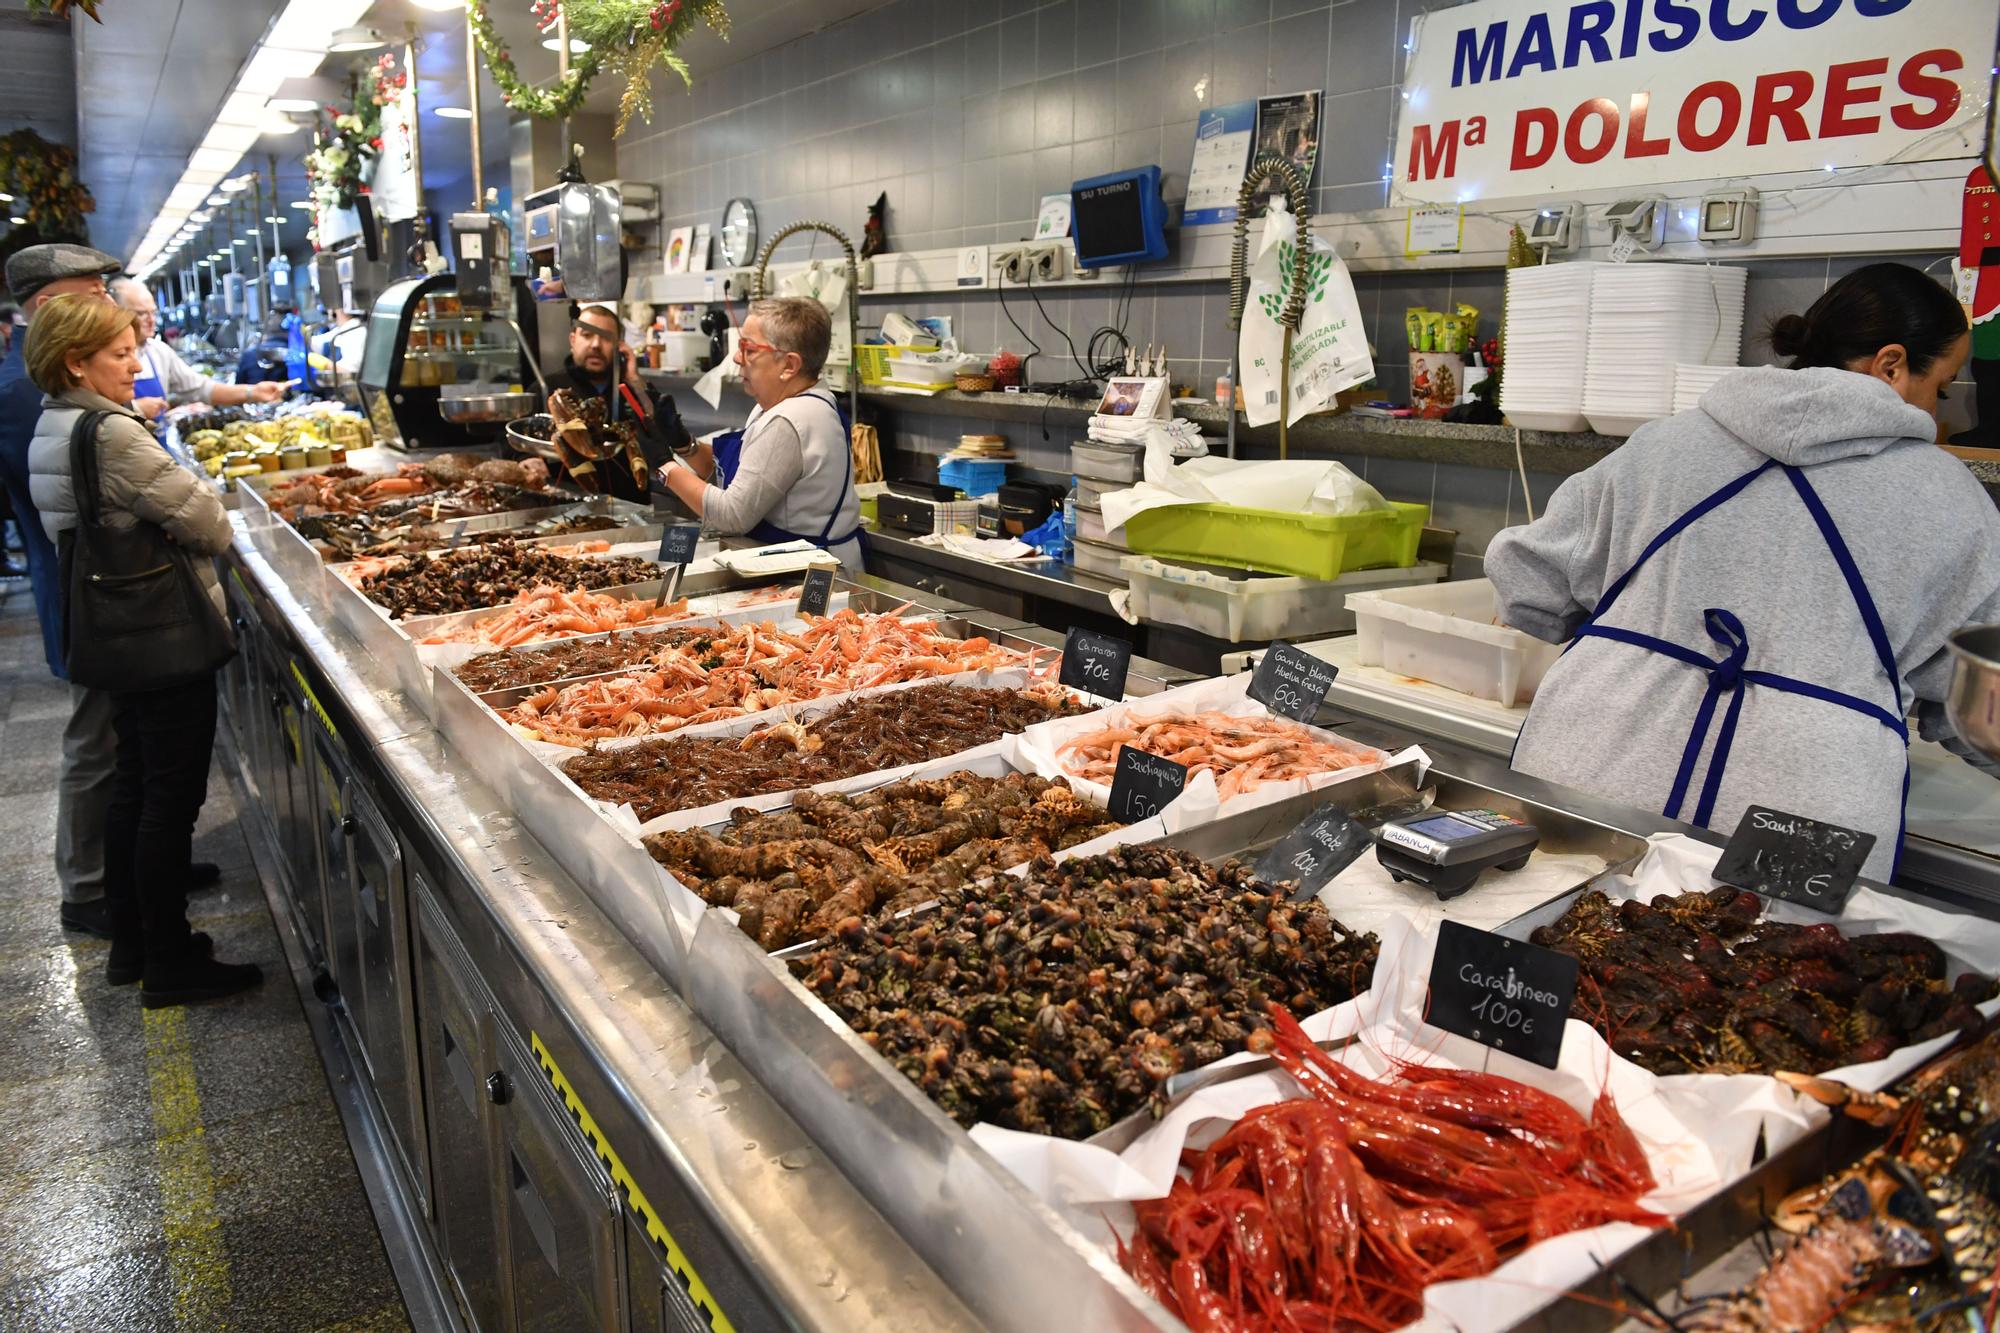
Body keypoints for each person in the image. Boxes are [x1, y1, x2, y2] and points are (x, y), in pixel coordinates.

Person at [1486, 263, 2000, 883]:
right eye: (1940, 387)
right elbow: (1980, 701)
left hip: (1593, 763)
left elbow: (1528, 581)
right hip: (1799, 809)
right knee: (1761, 968)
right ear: (1892, 365)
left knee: (1558, 936)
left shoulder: (1662, 444)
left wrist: (1643, 633)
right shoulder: (1951, 499)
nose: (1938, 408)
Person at [24, 294, 260, 1005]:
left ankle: (133, 942)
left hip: (112, 634)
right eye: (121, 354)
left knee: (134, 782)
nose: (136, 365)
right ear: (76, 362)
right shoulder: (110, 433)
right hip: (159, 637)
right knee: (170, 797)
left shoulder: (53, 422)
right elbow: (209, 522)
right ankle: (169, 960)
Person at [655, 297, 862, 568]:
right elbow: (736, 476)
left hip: (806, 574)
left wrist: (664, 465)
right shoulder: (787, 405)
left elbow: (731, 515)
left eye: (748, 349)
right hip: (786, 565)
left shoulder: (791, 420)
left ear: (789, 365)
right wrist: (682, 443)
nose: (737, 358)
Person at [552, 301, 690, 505]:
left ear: (620, 346)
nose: (596, 345)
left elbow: (658, 432)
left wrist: (634, 380)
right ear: (573, 339)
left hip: (632, 507)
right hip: (565, 507)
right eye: (587, 335)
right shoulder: (547, 388)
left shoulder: (632, 389)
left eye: (606, 337)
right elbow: (515, 446)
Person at [111, 279, 285, 430]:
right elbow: (93, 410)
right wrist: (135, 409)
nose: (151, 320)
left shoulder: (158, 351)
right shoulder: (103, 356)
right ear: (116, 312)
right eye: (141, 313)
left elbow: (201, 389)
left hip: (157, 444)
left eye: (153, 312)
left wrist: (253, 392)